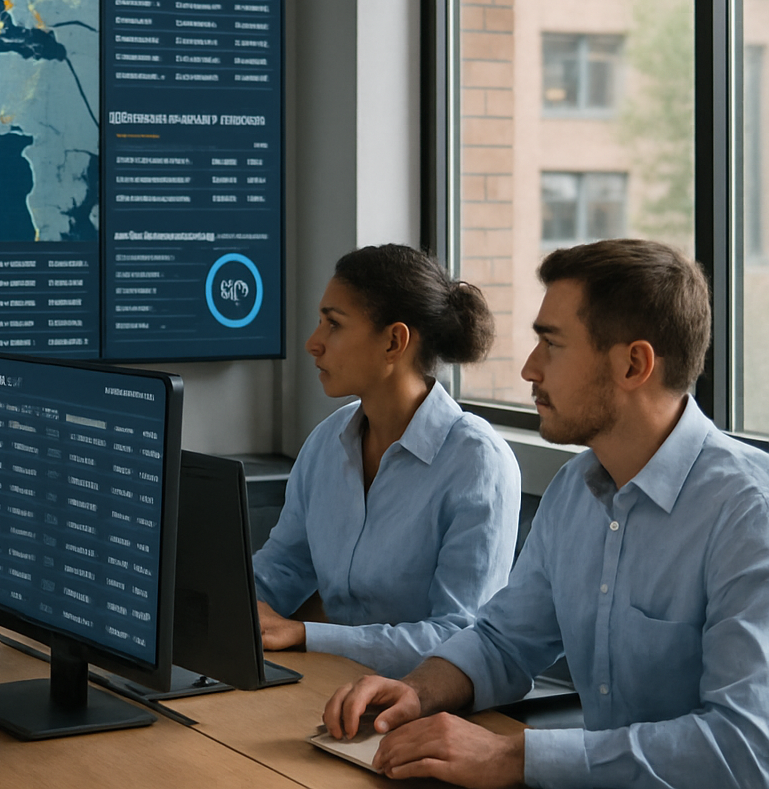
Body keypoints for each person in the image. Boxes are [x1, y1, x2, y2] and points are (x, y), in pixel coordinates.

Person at [322, 239, 769, 789]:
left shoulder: (750, 515)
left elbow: (743, 748)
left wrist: (512, 758)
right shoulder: (575, 489)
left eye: (551, 345)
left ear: (634, 364)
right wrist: (416, 690)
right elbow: (503, 640)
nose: (530, 369)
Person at [252, 244, 520, 677]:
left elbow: (459, 637)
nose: (313, 343)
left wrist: (306, 635)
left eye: (333, 324)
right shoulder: (327, 442)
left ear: (394, 341)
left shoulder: (477, 463)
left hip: (427, 706)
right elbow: (282, 567)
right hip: (332, 687)